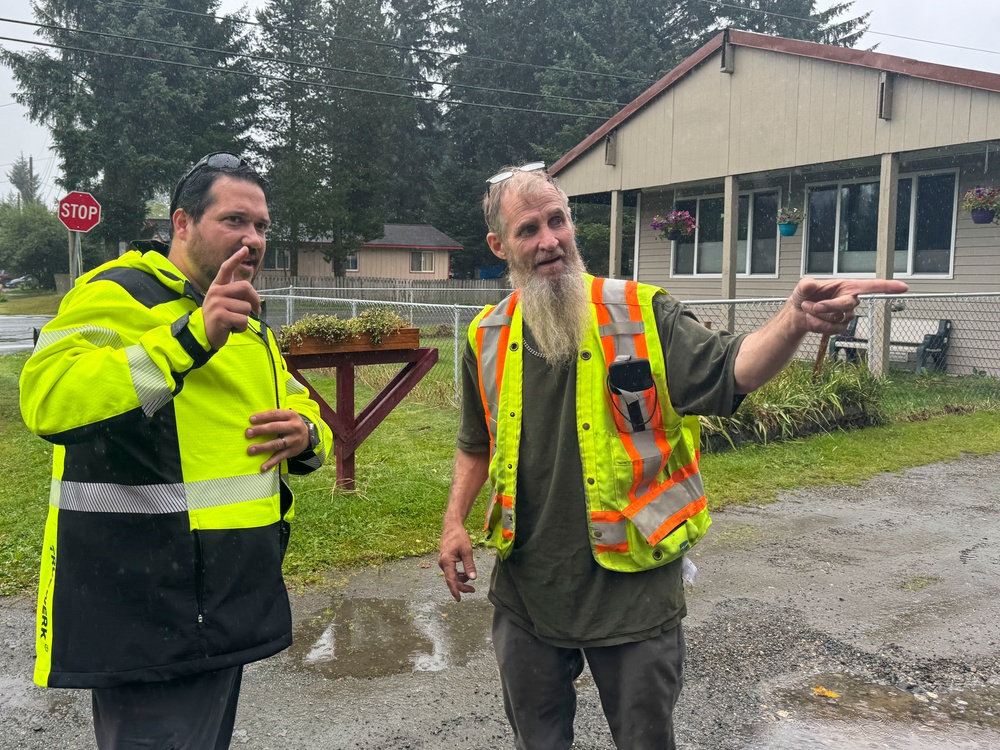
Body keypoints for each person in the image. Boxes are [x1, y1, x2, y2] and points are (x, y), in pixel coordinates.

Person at [438, 163, 908, 750]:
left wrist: (793, 321)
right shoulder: (485, 336)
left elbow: (731, 368)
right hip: (528, 596)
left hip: (633, 594)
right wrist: (455, 520)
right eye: (528, 229)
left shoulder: (640, 313)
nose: (549, 241)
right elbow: (475, 442)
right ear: (499, 246)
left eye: (557, 221)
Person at [19, 152, 332, 749]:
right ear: (182, 224)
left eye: (262, 226)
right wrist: (189, 339)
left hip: (229, 598)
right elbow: (47, 398)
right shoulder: (118, 294)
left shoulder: (249, 322)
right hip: (143, 603)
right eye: (235, 221)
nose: (253, 238)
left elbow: (296, 401)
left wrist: (307, 435)